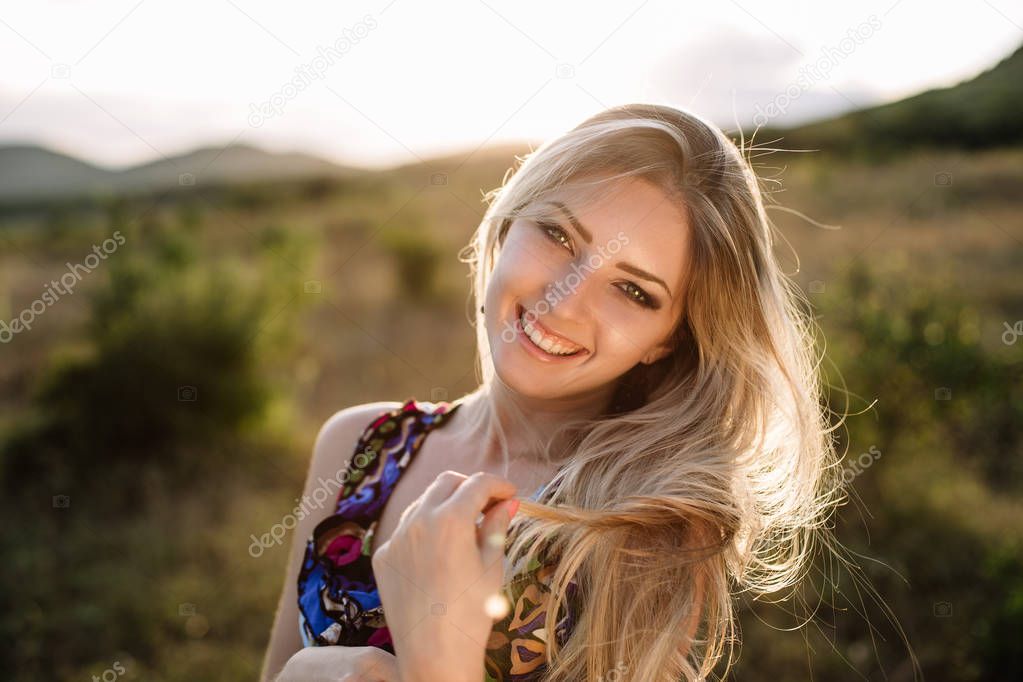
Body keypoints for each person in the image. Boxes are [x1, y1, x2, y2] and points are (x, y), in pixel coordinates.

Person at [262, 103, 852, 681]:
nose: (564, 300)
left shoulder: (646, 531)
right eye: (558, 235)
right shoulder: (355, 445)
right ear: (510, 219)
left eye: (632, 290)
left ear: (666, 341)